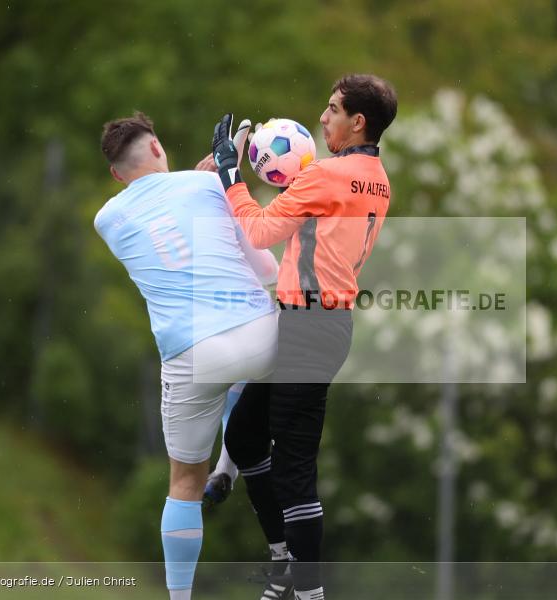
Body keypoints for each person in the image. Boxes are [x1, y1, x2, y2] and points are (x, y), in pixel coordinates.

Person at [204, 73, 397, 600]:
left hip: (309, 327)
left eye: (333, 110)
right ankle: (285, 565)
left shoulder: (328, 177)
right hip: (316, 327)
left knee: (293, 472)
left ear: (358, 121)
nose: (323, 118)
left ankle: (307, 592)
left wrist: (229, 174)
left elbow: (261, 230)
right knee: (244, 437)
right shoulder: (377, 178)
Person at [94, 112, 279, 600]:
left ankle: (179, 596)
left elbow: (164, 211)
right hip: (261, 333)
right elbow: (265, 267)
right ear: (158, 148)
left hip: (193, 351)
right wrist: (223, 172)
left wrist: (205, 180)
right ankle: (231, 468)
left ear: (116, 174)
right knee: (248, 376)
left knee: (183, 482)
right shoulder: (210, 188)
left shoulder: (107, 220)